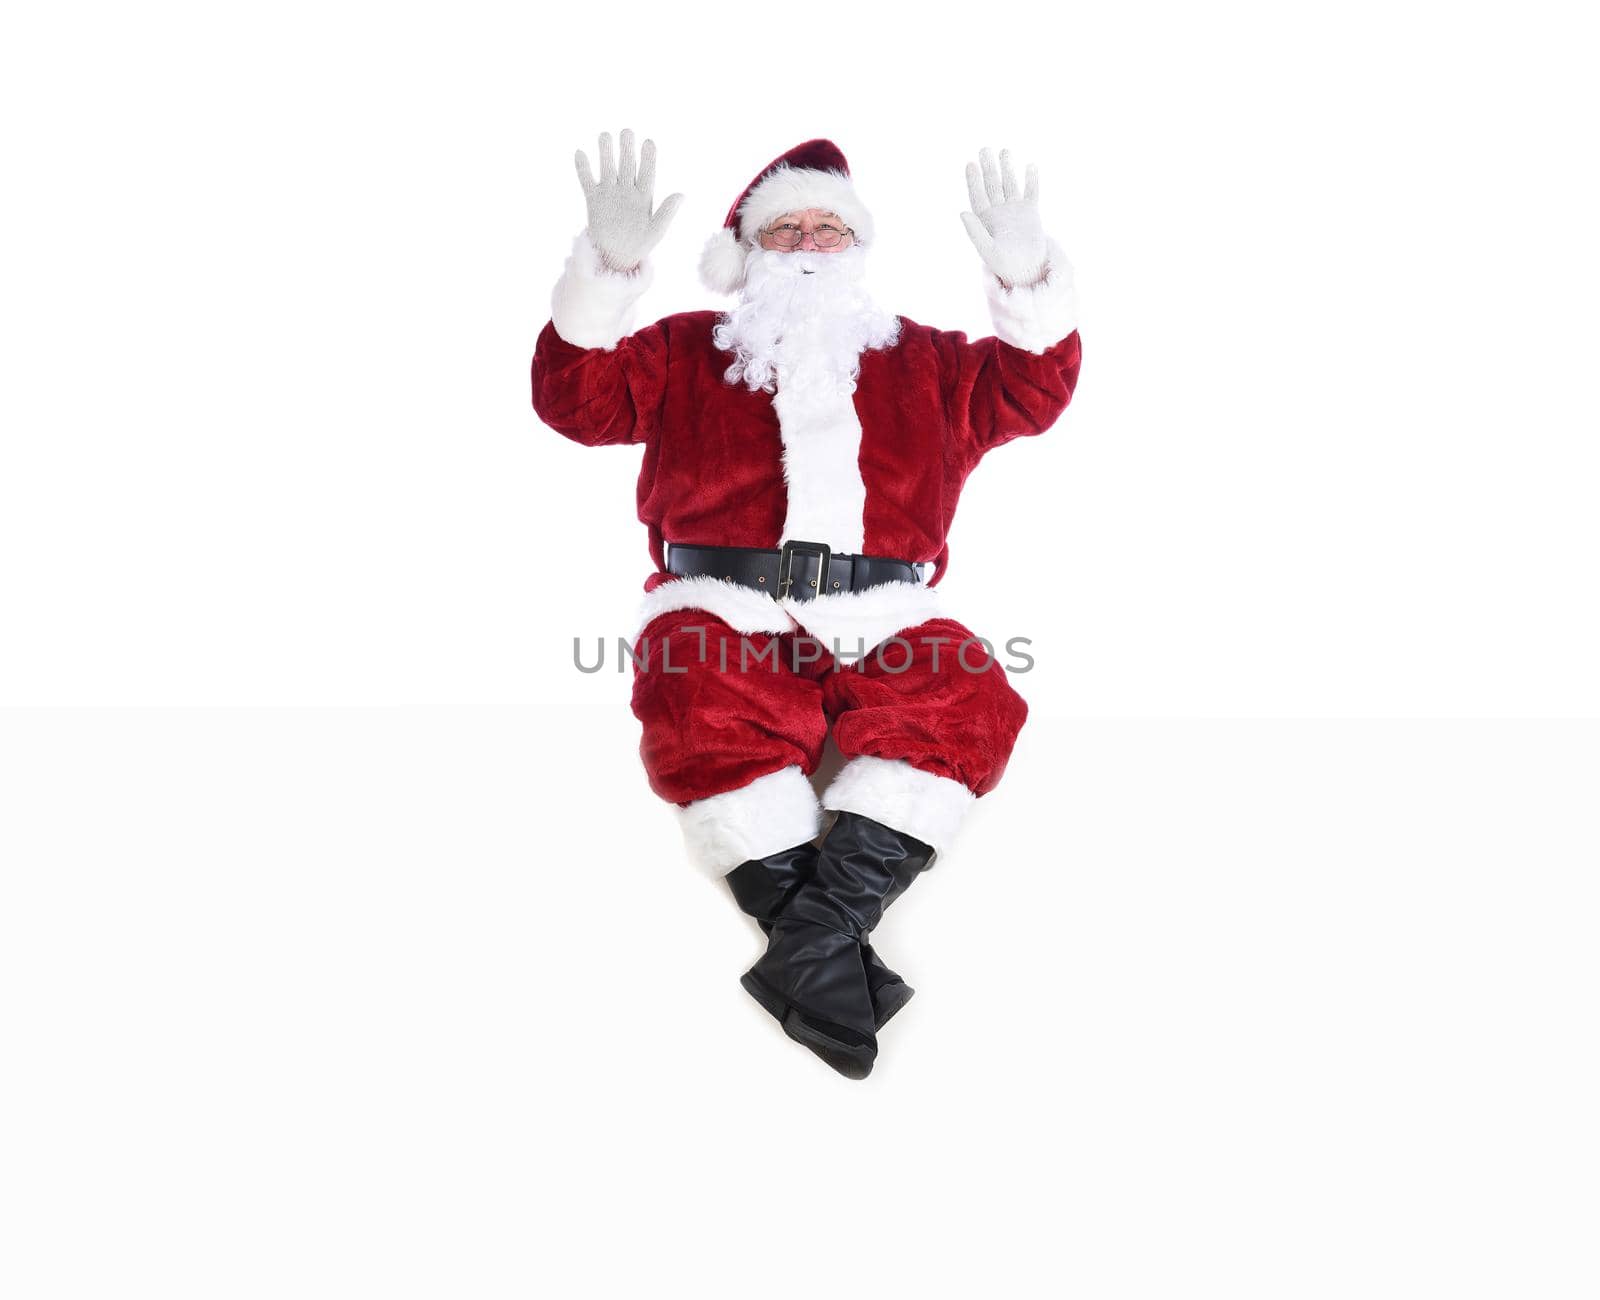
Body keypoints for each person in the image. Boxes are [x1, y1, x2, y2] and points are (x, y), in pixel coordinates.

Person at [530, 131, 1081, 1077]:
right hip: (719, 605)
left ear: (859, 247)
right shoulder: (679, 351)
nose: (809, 242)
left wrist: (1028, 276)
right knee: (700, 709)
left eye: (830, 226)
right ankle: (826, 958)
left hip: (885, 618)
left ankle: (813, 949)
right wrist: (610, 272)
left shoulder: (930, 361)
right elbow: (573, 403)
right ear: (747, 252)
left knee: (972, 698)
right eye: (785, 227)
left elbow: (1032, 390)